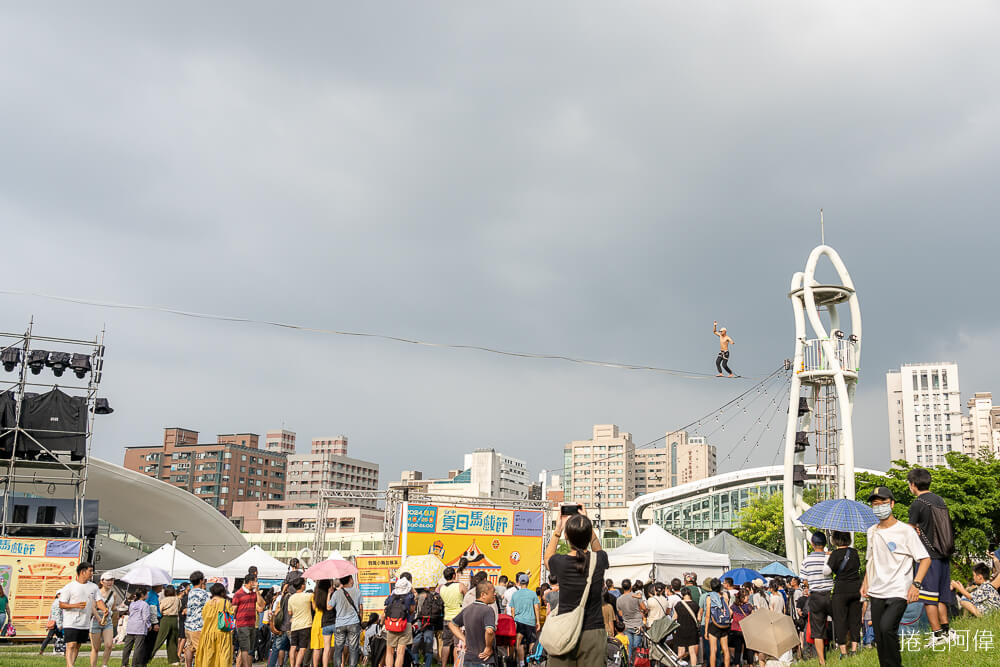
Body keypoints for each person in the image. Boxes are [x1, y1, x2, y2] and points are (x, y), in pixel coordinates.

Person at [861, 486, 930, 667]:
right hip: (876, 591)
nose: (879, 507)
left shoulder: (905, 531)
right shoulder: (872, 532)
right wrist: (865, 582)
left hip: (899, 590)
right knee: (879, 635)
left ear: (891, 504)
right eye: (875, 504)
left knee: (887, 628)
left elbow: (925, 559)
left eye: (882, 503)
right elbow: (871, 559)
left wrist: (916, 584)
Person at [543, 508, 608, 667]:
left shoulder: (560, 562)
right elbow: (598, 550)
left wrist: (557, 529)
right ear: (589, 535)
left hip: (564, 631)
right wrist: (587, 524)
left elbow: (547, 558)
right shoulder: (599, 560)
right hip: (593, 632)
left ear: (567, 537)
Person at [906, 467, 956, 645]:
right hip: (944, 554)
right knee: (942, 595)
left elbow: (909, 531)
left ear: (913, 485)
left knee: (928, 598)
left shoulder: (918, 504)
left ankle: (936, 635)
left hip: (928, 557)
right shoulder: (939, 500)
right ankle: (946, 631)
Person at [59, 561, 107, 667]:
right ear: (82, 572)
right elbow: (62, 604)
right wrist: (75, 605)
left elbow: (99, 601)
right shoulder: (69, 587)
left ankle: (69, 665)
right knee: (71, 645)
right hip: (70, 622)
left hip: (85, 622)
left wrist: (105, 610)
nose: (92, 573)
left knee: (77, 646)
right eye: (90, 571)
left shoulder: (94, 587)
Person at [823, 531, 862, 659]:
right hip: (856, 589)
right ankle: (855, 650)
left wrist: (827, 558)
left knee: (840, 621)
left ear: (835, 540)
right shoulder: (854, 552)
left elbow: (826, 572)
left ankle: (844, 652)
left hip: (840, 591)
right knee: (855, 620)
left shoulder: (835, 554)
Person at [799, 532, 832, 666]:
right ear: (824, 544)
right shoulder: (829, 557)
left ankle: (822, 661)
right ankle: (845, 651)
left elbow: (805, 581)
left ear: (812, 544)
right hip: (830, 594)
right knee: (841, 621)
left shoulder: (806, 561)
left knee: (817, 630)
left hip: (816, 596)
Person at [448, 580, 498, 667]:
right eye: (493, 592)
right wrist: (488, 647)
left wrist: (464, 639)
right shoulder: (488, 610)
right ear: (483, 595)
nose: (495, 594)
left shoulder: (467, 609)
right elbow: (489, 631)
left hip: (468, 659)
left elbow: (452, 624)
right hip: (484, 659)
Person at [194, 583, 234, 667]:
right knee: (223, 656)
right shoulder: (225, 603)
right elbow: (231, 615)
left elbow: (204, 616)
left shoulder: (207, 604)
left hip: (208, 633)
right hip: (222, 633)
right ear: (222, 592)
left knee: (208, 657)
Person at [331, 575, 364, 667]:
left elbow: (329, 606)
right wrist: (360, 619)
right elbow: (361, 608)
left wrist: (331, 593)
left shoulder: (336, 593)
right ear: (350, 580)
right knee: (353, 649)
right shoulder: (357, 591)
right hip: (353, 623)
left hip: (339, 624)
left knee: (338, 649)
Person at [508, 572, 540, 666]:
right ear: (528, 582)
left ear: (518, 582)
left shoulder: (515, 594)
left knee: (519, 643)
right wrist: (538, 621)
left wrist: (514, 621)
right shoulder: (533, 594)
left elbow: (512, 609)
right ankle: (530, 661)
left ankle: (521, 663)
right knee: (532, 642)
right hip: (530, 621)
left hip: (519, 622)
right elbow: (536, 608)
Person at [384, 577, 416, 667]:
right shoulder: (409, 597)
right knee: (400, 652)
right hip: (405, 624)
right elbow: (412, 610)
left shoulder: (391, 598)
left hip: (391, 625)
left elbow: (385, 610)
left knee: (389, 652)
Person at [439, 566, 467, 667]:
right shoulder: (460, 586)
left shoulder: (441, 588)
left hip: (447, 617)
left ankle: (443, 665)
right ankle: (456, 664)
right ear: (454, 575)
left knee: (446, 644)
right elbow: (467, 597)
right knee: (456, 644)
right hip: (458, 618)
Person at [184, 572, 211, 667]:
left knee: (189, 647)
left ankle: (188, 665)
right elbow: (209, 607)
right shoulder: (203, 593)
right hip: (198, 626)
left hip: (188, 624)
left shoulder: (191, 592)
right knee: (201, 650)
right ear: (201, 580)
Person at [615, 579, 647, 661]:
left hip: (627, 625)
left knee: (628, 648)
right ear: (631, 586)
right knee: (637, 649)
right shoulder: (636, 596)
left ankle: (629, 663)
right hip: (638, 625)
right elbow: (644, 608)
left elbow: (620, 614)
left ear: (622, 587)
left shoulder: (619, 599)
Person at [149, 584, 181, 665]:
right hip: (174, 619)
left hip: (165, 619)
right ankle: (174, 660)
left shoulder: (164, 600)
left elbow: (159, 610)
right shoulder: (178, 599)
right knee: (172, 640)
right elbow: (179, 608)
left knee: (159, 639)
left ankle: (149, 657)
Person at [232, 573, 259, 667]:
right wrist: (232, 625)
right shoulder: (238, 594)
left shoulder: (254, 593)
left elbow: (262, 605)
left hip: (252, 624)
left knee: (246, 649)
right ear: (251, 582)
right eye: (255, 581)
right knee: (245, 649)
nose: (257, 583)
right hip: (242, 624)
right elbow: (233, 610)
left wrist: (258, 592)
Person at [703, 578, 731, 667]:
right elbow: (729, 611)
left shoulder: (709, 597)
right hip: (724, 624)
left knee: (713, 650)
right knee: (726, 649)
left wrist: (706, 631)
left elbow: (707, 615)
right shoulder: (725, 595)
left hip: (714, 625)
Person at [122, 588, 153, 667]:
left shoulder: (132, 604)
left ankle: (124, 664)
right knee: (138, 648)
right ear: (143, 595)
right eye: (146, 594)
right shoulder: (145, 604)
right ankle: (135, 664)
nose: (147, 595)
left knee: (127, 647)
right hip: (140, 628)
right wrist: (149, 625)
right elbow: (146, 617)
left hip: (130, 627)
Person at [287, 578, 314, 667]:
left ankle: (292, 665)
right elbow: (314, 606)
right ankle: (297, 665)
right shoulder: (308, 596)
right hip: (305, 625)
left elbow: (290, 612)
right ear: (302, 586)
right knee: (302, 649)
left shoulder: (291, 598)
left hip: (294, 625)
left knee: (293, 647)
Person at [672, 588, 700, 667]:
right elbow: (698, 618)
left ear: (682, 594)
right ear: (689, 594)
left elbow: (674, 618)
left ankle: (679, 665)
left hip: (681, 630)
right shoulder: (695, 605)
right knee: (692, 652)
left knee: (681, 650)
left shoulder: (678, 605)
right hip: (692, 630)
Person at [729, 588, 754, 666]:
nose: (749, 598)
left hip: (736, 630)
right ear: (743, 597)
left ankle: (737, 664)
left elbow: (730, 616)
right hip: (746, 630)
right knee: (749, 648)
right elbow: (754, 616)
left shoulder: (733, 606)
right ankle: (751, 665)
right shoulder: (749, 606)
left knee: (738, 648)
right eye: (747, 596)